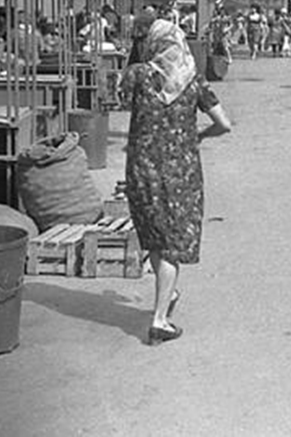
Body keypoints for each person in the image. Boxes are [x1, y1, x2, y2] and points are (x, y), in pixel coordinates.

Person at [120, 20, 231, 345]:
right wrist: (200, 135)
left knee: (154, 236)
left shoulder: (138, 76)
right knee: (171, 243)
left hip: (141, 168)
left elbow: (119, 92)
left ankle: (167, 295)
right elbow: (224, 124)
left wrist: (138, 56)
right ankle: (159, 321)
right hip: (180, 171)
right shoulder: (194, 81)